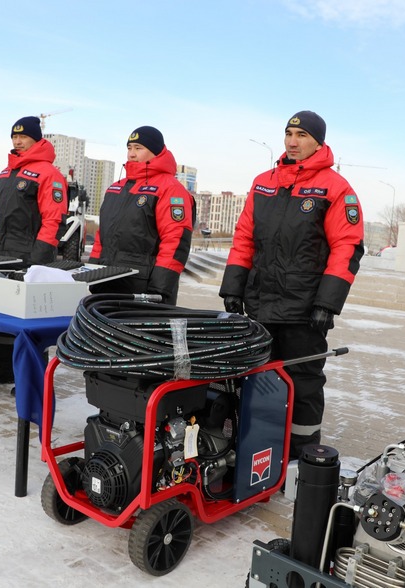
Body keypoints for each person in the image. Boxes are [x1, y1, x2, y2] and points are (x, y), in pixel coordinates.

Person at [219, 111, 365, 460]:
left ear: (319, 141)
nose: (292, 141)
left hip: (304, 309)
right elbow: (244, 238)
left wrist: (327, 304)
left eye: (301, 135)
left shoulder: (335, 188)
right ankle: (258, 445)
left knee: (303, 382)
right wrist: (233, 288)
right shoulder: (263, 182)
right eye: (288, 133)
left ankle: (302, 452)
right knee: (256, 377)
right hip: (260, 303)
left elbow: (347, 246)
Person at [0, 116, 68, 386]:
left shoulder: (48, 174)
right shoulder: (5, 174)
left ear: (36, 139)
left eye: (23, 136)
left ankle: (30, 382)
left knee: (30, 321)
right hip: (0, 253)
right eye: (14, 136)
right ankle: (3, 370)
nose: (17, 141)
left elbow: (53, 219)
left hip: (30, 255)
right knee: (2, 314)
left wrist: (39, 258)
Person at [88, 126, 194, 304]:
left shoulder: (170, 188)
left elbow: (175, 241)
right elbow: (101, 237)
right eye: (129, 148)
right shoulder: (116, 188)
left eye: (138, 148)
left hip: (143, 287)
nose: (131, 154)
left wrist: (160, 288)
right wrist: (93, 271)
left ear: (156, 152)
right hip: (106, 282)